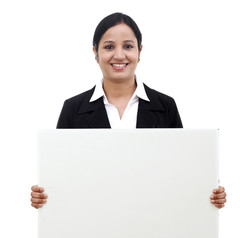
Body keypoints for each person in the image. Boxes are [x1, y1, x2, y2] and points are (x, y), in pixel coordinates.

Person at [31, 12, 227, 209]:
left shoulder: (165, 106)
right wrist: (45, 196)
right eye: (109, 47)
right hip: (92, 218)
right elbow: (60, 173)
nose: (119, 55)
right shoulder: (73, 108)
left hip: (153, 219)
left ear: (140, 51)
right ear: (95, 53)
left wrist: (207, 192)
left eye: (128, 46)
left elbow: (180, 171)